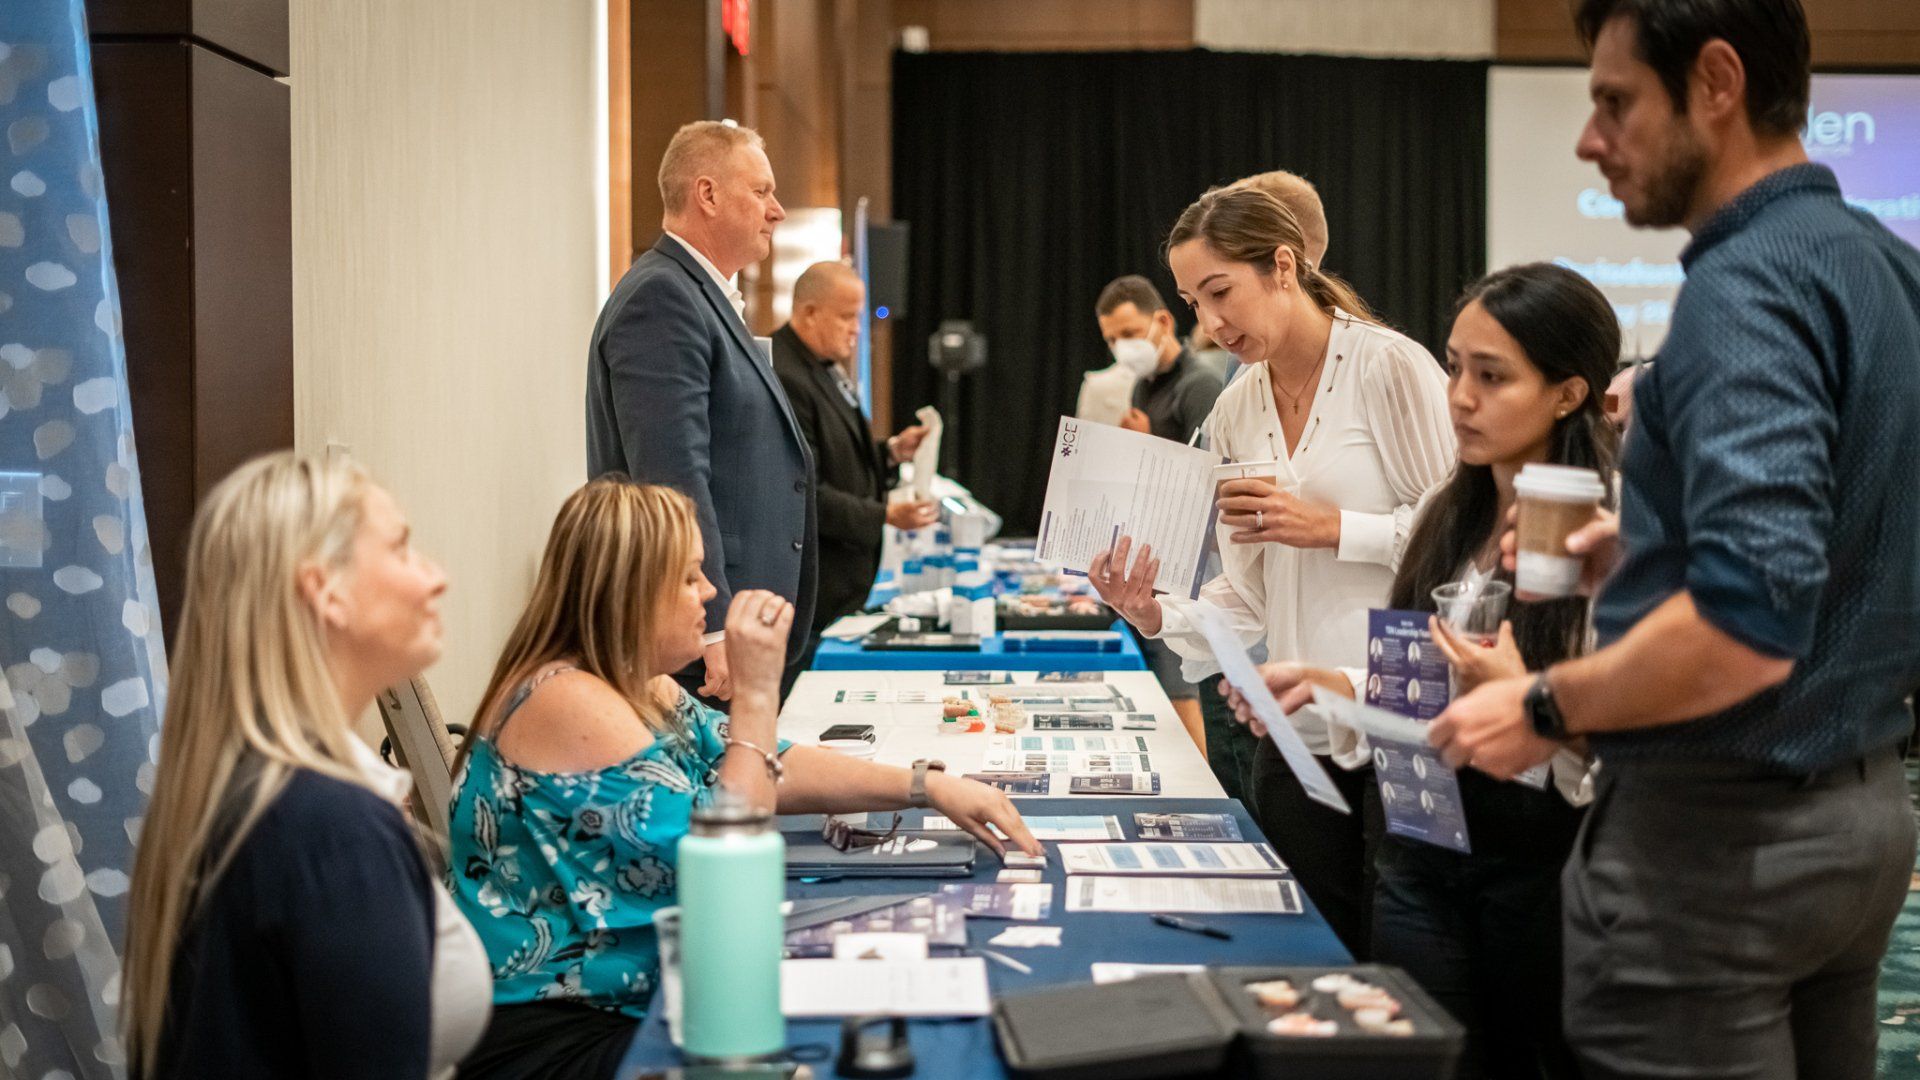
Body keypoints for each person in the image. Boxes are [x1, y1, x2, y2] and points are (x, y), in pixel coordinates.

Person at [1428, 2, 1920, 1076]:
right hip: (1860, 821)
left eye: (1614, 102)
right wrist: (1642, 556)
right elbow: (1852, 544)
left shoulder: (1742, 288)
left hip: (1720, 845)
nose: (1589, 139)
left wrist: (1546, 704)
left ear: (1716, 82)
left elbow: (1748, 619)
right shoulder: (1881, 262)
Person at [449, 477, 1040, 1080]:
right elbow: (730, 848)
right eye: (688, 577)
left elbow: (762, 761)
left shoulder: (632, 680)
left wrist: (925, 785)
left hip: (650, 996)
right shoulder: (570, 702)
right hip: (570, 1032)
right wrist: (758, 691)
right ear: (628, 591)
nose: (708, 592)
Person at [1232, 262, 1621, 1079]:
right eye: (1454, 367)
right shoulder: (1449, 512)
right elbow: (1423, 674)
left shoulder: (1610, 538)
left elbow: (1626, 748)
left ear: (1569, 393)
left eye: (1492, 376)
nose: (1461, 397)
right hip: (1416, 843)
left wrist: (1538, 708)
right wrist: (1338, 682)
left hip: (1535, 869)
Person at [1087, 185, 1456, 954]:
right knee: (1310, 959)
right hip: (1294, 726)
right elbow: (1248, 597)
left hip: (1408, 714)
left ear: (1284, 266)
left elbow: (1460, 549)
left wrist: (1333, 529)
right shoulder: (1236, 407)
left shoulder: (1391, 369)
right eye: (1195, 301)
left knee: (1411, 963)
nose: (1212, 323)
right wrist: (1153, 613)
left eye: (1221, 292)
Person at [122, 452, 489, 1079]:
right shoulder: (329, 828)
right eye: (402, 550)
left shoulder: (251, 786)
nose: (436, 577)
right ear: (327, 592)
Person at [586, 120, 815, 704]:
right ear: (707, 195)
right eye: (761, 192)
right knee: (723, 798)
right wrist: (712, 625)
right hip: (699, 649)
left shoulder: (701, 295)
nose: (778, 211)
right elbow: (672, 476)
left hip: (732, 635)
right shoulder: (663, 297)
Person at [772, 260, 937, 662]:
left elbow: (841, 458)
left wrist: (892, 451)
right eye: (847, 317)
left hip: (846, 583)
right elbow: (804, 491)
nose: (857, 329)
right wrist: (885, 515)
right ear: (810, 313)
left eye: (858, 317)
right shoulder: (784, 371)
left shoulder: (824, 367)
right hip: (816, 585)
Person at [1092, 274, 1223, 756]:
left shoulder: (1200, 385)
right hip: (1152, 566)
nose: (1120, 347)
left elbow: (1210, 485)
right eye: (1110, 339)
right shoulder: (1142, 388)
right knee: (1161, 701)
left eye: (1128, 334)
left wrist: (1149, 446)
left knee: (1185, 699)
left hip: (1193, 577)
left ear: (1162, 321)